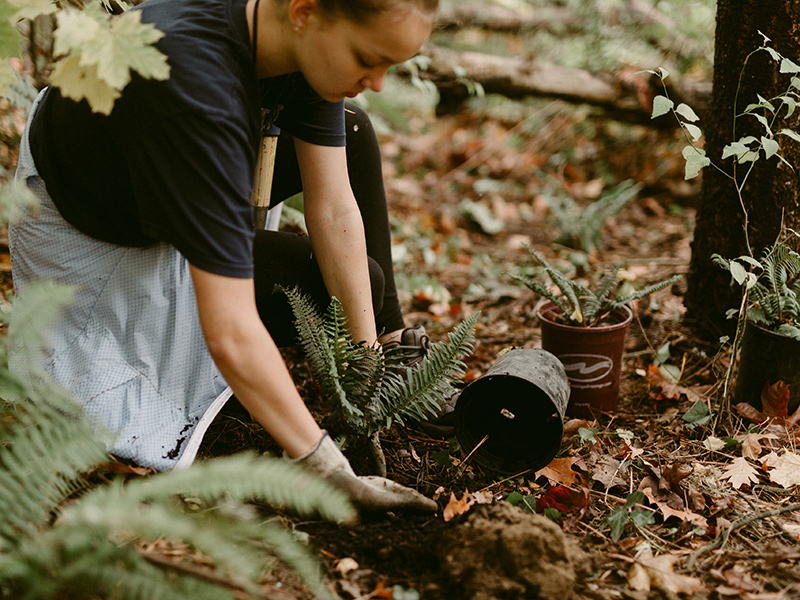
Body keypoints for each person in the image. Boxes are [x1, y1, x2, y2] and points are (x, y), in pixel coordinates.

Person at [9, 0, 439, 512]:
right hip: (98, 229)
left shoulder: (297, 38)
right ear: (305, 12)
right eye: (369, 59)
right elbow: (230, 331)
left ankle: (393, 358)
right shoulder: (194, 89)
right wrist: (323, 464)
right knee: (334, 285)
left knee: (354, 132)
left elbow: (334, 210)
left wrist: (363, 370)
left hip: (174, 184)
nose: (379, 81)